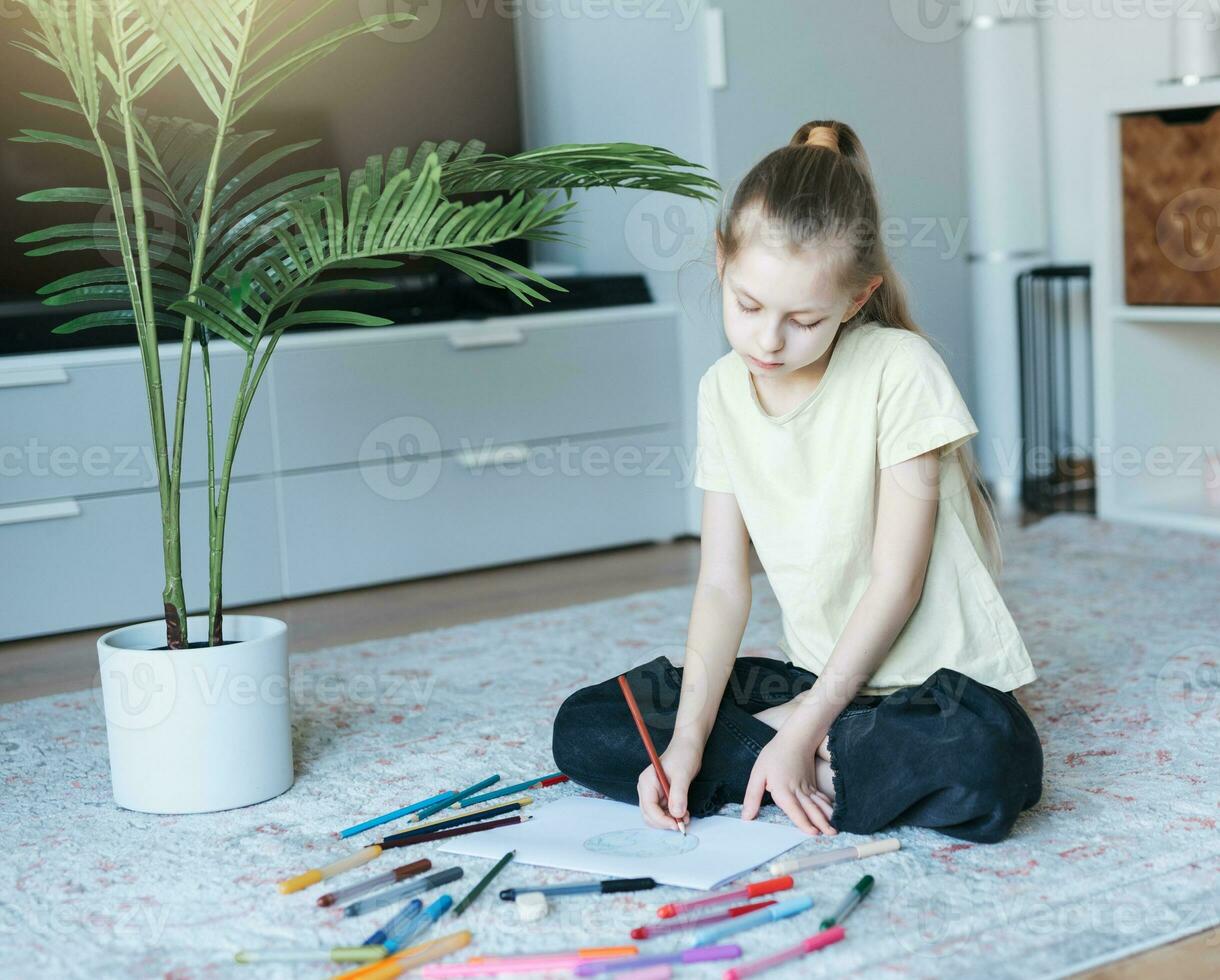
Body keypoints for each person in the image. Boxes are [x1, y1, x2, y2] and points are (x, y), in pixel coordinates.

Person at [551, 119, 1042, 844]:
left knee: (994, 763)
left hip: (932, 691)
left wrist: (803, 723)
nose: (768, 342)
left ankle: (784, 755)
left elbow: (895, 583)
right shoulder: (722, 390)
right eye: (749, 306)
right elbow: (722, 583)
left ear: (854, 299)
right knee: (588, 728)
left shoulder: (900, 370)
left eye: (804, 320)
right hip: (817, 678)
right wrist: (687, 741)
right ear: (721, 262)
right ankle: (804, 764)